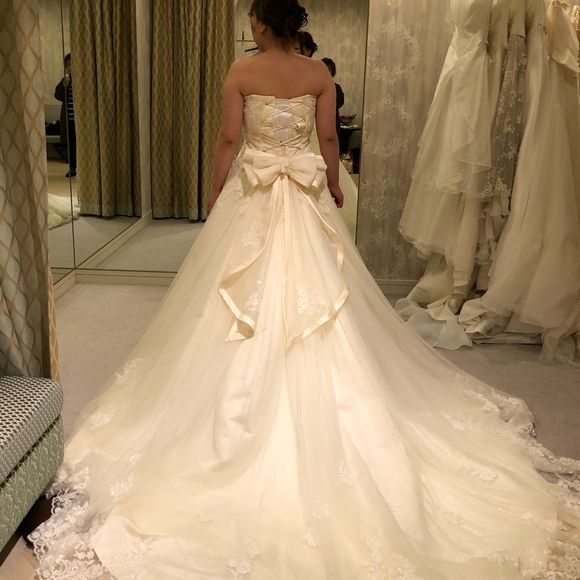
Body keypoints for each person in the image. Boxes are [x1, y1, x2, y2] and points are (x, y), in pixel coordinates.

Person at [30, 1, 580, 578]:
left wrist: (214, 192)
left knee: (232, 299)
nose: (249, 25)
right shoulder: (318, 73)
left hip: (253, 196)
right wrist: (335, 187)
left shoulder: (242, 71)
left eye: (251, 17)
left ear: (260, 23)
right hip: (303, 195)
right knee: (324, 297)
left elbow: (228, 138)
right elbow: (327, 141)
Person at [54, 53, 77, 178]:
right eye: (68, 64)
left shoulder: (83, 79)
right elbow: (57, 95)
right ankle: (72, 168)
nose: (71, 66)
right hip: (69, 119)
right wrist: (65, 84)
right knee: (71, 144)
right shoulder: (65, 81)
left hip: (81, 120)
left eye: (73, 63)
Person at [321, 57, 344, 137]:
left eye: (328, 70)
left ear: (332, 72)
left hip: (333, 121)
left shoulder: (336, 87)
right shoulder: (315, 88)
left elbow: (340, 102)